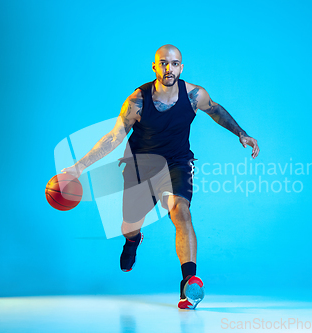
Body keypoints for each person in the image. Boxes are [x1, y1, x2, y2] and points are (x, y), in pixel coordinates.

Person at [61, 44, 259, 309]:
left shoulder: (194, 95)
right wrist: (78, 167)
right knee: (129, 225)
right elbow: (114, 137)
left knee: (181, 211)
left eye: (174, 63)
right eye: (163, 63)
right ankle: (133, 239)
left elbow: (215, 109)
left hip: (177, 162)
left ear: (181, 67)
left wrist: (241, 133)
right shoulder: (137, 101)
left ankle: (188, 283)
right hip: (140, 166)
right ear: (155, 67)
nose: (169, 68)